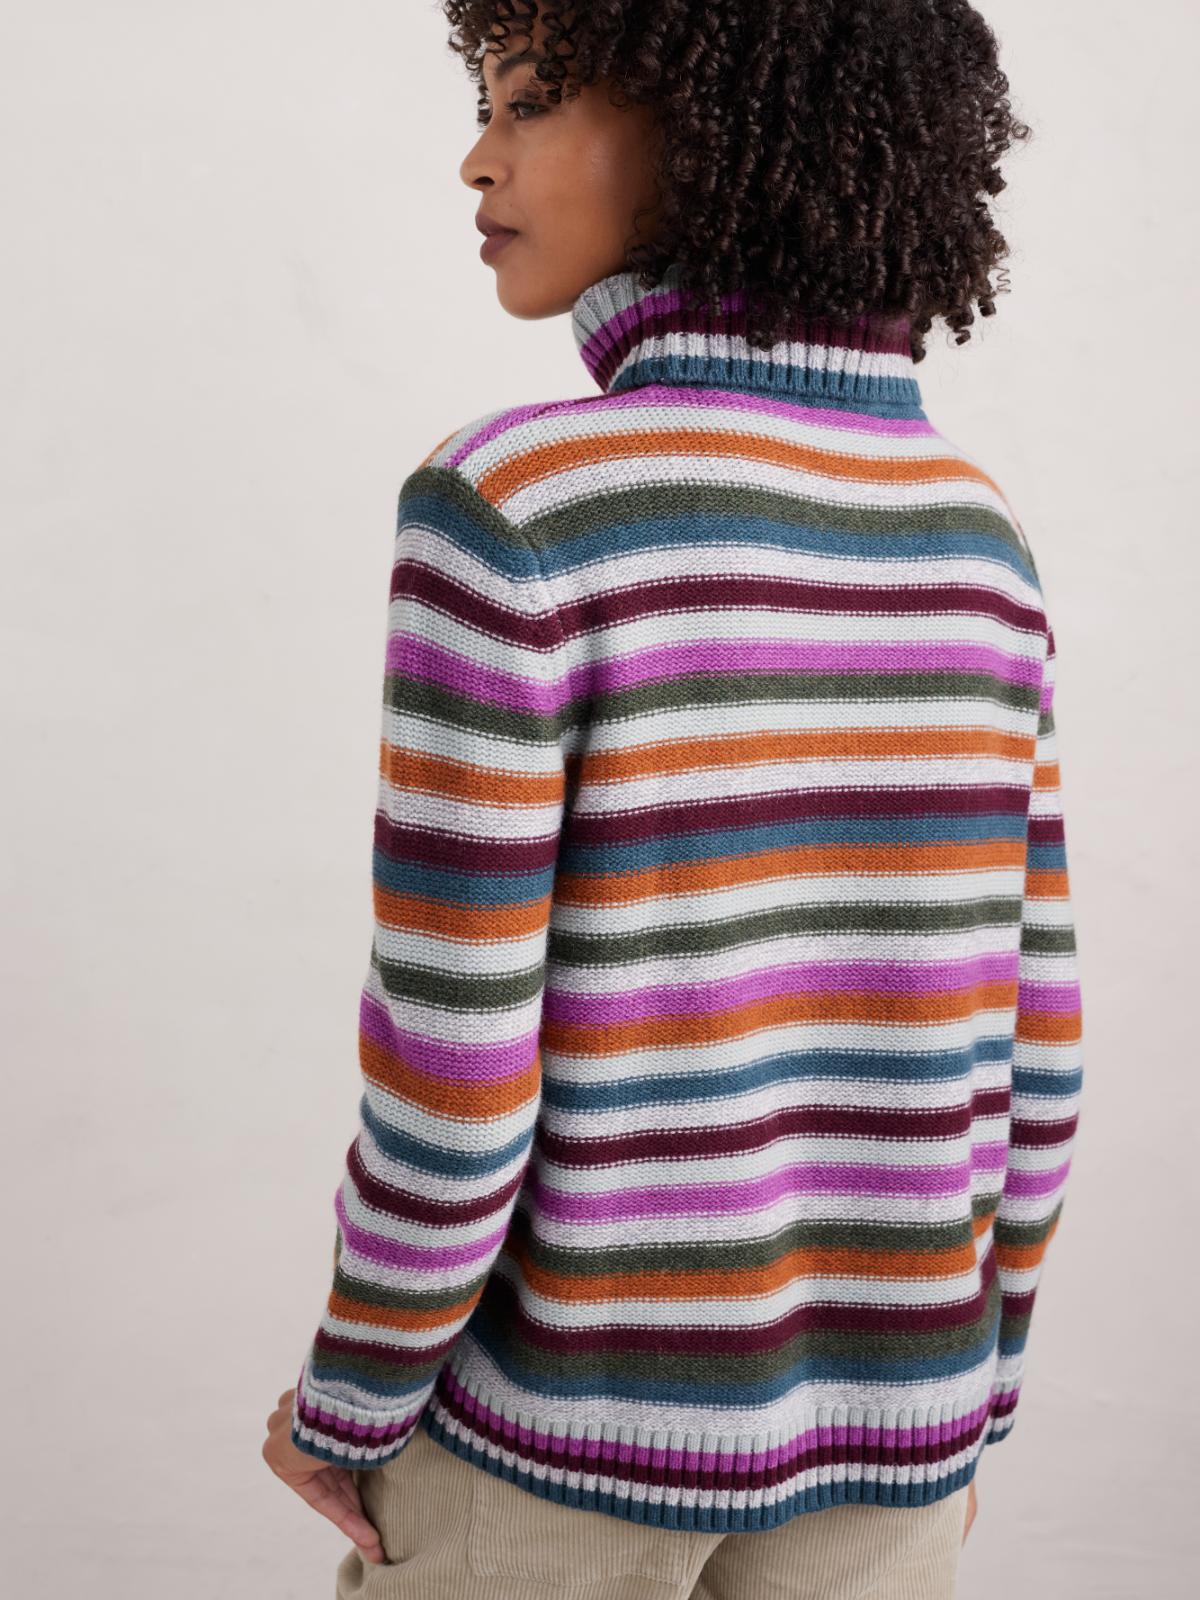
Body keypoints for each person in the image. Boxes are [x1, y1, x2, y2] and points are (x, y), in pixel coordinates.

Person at [262, 4, 1085, 1596]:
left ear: (702, 129)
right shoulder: (976, 539)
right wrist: (974, 1407)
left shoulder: (516, 507)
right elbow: (1036, 1053)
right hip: (893, 1450)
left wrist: (349, 1396)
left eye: (529, 102)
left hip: (553, 1456)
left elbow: (455, 1075)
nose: (476, 157)